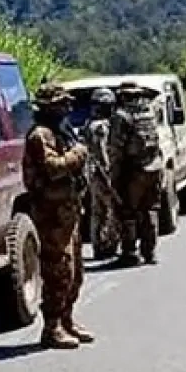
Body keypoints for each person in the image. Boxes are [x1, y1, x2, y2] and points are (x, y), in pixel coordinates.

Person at [22, 83, 96, 349]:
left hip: (68, 210)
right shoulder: (40, 135)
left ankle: (67, 319)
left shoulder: (62, 131)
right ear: (49, 107)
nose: (67, 108)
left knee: (75, 271)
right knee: (58, 270)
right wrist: (78, 155)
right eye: (61, 104)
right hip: (51, 214)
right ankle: (52, 327)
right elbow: (53, 168)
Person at [108, 81, 164, 266]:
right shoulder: (149, 113)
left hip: (133, 171)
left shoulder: (121, 116)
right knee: (150, 210)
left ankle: (130, 252)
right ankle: (150, 252)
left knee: (127, 212)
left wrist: (113, 176)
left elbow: (116, 149)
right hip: (154, 167)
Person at [84, 87, 119, 260]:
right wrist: (109, 174)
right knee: (107, 209)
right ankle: (105, 244)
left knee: (98, 210)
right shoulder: (100, 127)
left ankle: (100, 244)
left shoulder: (90, 123)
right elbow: (102, 152)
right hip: (100, 173)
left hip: (93, 172)